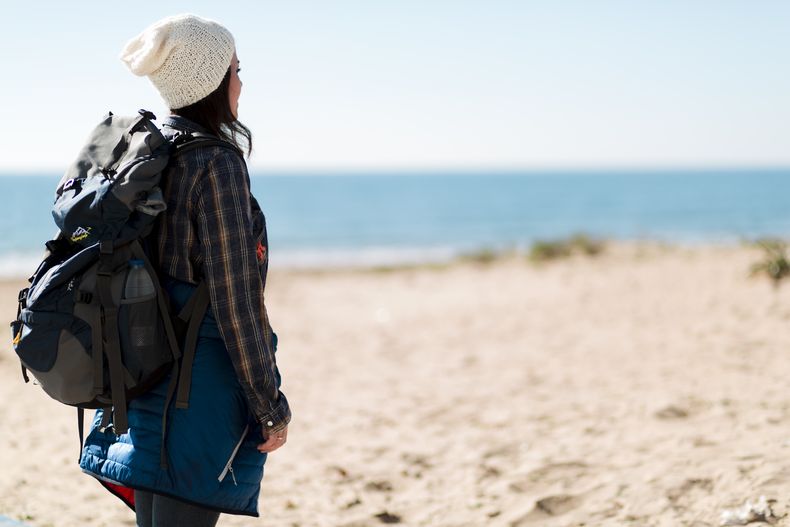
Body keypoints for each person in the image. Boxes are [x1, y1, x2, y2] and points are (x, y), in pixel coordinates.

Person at [79, 14, 291, 527]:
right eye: (236, 69)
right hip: (197, 387)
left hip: (144, 369)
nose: (242, 81)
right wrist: (270, 404)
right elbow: (236, 300)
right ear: (212, 80)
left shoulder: (151, 152)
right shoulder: (216, 164)